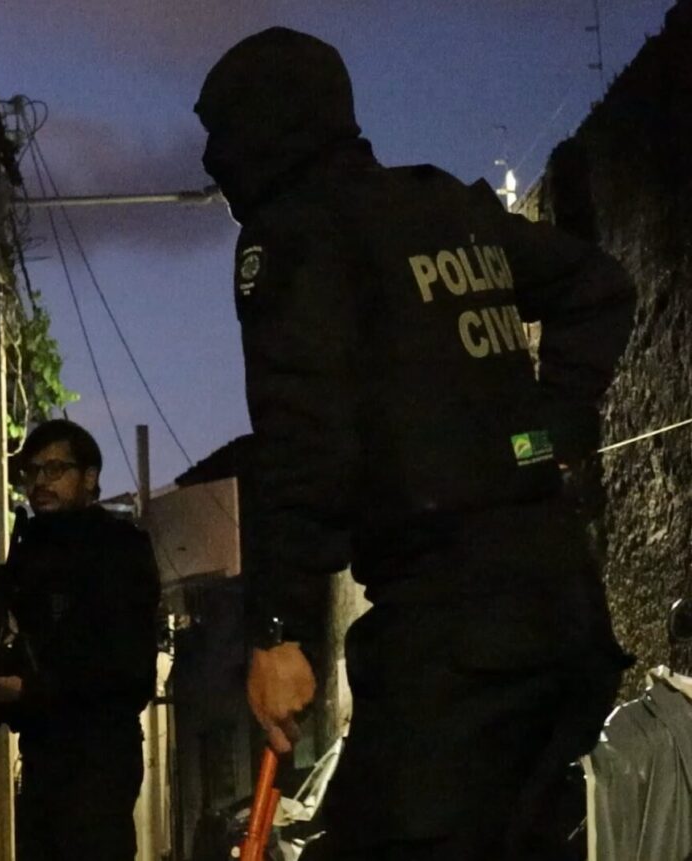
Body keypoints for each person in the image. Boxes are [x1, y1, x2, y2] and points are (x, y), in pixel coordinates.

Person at [193, 28, 637, 860]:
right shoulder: (446, 208)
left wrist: (279, 627)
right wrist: (554, 426)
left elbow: (301, 440)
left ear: (260, 131)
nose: (214, 164)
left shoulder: (296, 235)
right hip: (563, 617)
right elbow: (599, 285)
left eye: (220, 135)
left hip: (453, 640)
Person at [0, 419, 160, 861]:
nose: (40, 482)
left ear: (89, 478)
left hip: (99, 761)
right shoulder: (28, 554)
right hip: (43, 759)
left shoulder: (119, 549)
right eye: (32, 472)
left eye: (54, 469)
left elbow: (131, 672)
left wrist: (32, 689)